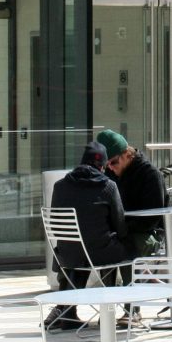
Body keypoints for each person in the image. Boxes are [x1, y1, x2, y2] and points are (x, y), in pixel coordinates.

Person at [46, 140, 130, 331]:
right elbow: (120, 224)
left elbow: (56, 222)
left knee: (77, 251)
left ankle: (68, 312)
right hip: (100, 252)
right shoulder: (108, 186)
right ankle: (107, 313)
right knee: (114, 247)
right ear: (102, 166)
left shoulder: (60, 186)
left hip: (69, 254)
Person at [97, 129, 166, 255]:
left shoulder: (150, 174)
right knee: (93, 241)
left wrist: (120, 228)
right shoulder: (110, 173)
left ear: (127, 154)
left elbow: (152, 218)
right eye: (107, 165)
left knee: (123, 245)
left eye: (113, 162)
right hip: (120, 229)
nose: (111, 168)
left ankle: (131, 275)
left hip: (147, 232)